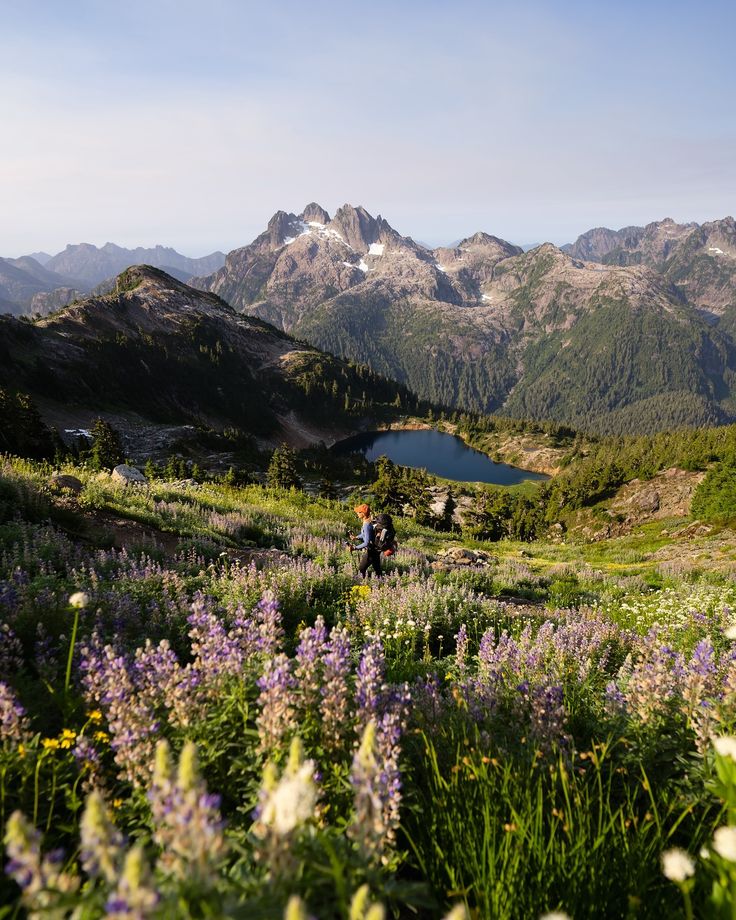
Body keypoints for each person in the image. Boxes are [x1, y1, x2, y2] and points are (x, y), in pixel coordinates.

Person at [349, 503, 381, 579]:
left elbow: (366, 542)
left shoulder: (366, 524)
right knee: (378, 570)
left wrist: (354, 548)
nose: (357, 513)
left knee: (361, 570)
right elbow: (366, 534)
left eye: (359, 512)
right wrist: (356, 537)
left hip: (371, 550)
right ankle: (381, 585)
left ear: (363, 513)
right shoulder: (368, 522)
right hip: (376, 549)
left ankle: (362, 585)